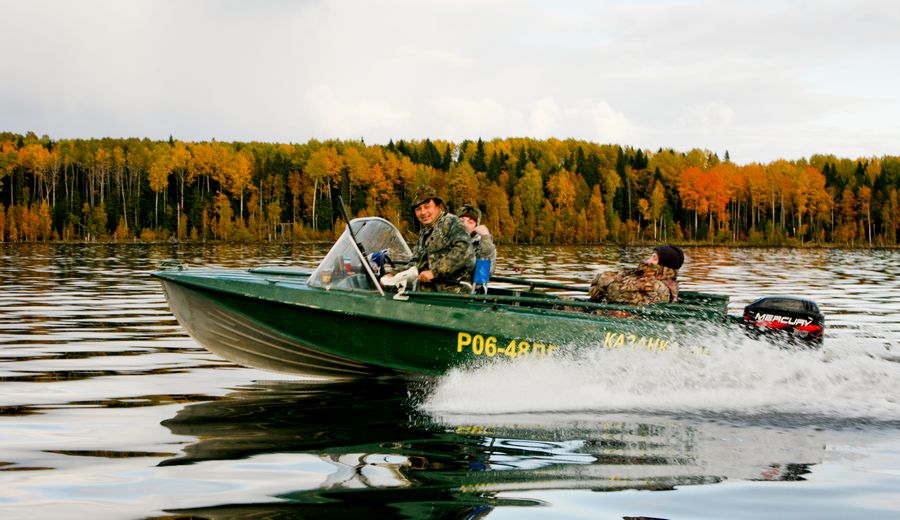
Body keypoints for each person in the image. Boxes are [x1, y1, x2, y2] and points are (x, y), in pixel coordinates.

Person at [400, 186, 475, 293]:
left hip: (452, 293)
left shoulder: (452, 222)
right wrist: (392, 274)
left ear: (438, 207)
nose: (423, 212)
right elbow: (415, 263)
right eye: (418, 209)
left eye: (427, 206)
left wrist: (434, 272)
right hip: (426, 291)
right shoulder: (424, 232)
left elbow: (464, 251)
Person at [588, 245, 684, 305]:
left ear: (663, 264)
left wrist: (600, 283)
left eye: (654, 258)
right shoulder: (643, 275)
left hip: (623, 321)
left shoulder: (657, 285)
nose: (648, 260)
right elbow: (619, 276)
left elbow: (614, 291)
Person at [457, 204, 496, 293]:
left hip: (467, 292)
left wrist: (485, 239)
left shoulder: (482, 245)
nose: (464, 225)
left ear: (476, 226)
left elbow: (484, 274)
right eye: (461, 221)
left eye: (470, 222)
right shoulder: (446, 240)